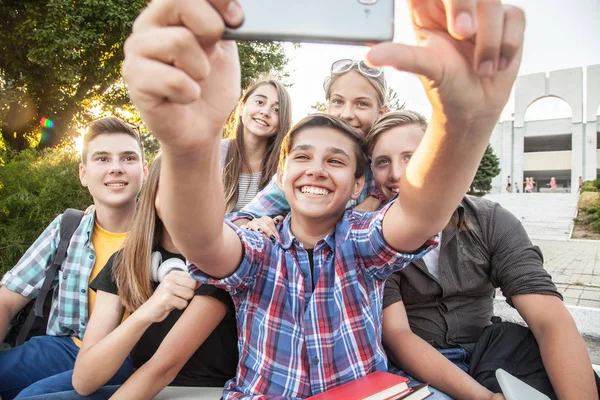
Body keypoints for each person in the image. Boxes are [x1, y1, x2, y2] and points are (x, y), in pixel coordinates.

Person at [121, 0, 526, 397]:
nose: (316, 168)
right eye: (302, 156)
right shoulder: (258, 250)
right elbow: (202, 238)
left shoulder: (364, 242)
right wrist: (189, 146)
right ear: (281, 176)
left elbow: (421, 211)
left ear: (356, 185)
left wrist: (460, 123)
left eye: (335, 160)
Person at [363, 113, 598, 399]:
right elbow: (398, 334)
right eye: (383, 162)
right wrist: (482, 397)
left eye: (411, 157)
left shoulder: (491, 221)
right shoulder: (369, 239)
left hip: (491, 351)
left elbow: (548, 319)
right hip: (418, 369)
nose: (396, 173)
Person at [17, 156, 238, 400]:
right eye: (174, 187)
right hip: (143, 383)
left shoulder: (219, 263)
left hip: (204, 391)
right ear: (153, 194)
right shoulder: (124, 262)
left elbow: (163, 369)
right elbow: (84, 380)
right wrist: (147, 311)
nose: (185, 199)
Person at [0, 117, 148, 399]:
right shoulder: (67, 228)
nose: (115, 167)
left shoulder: (163, 234)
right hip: (65, 346)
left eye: (128, 158)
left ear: (144, 170)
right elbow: (7, 299)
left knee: (29, 397)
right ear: (83, 173)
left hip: (127, 356)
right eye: (102, 159)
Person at [232, 58, 390, 224]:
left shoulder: (389, 164)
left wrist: (377, 198)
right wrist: (256, 224)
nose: (346, 114)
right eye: (338, 102)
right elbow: (240, 219)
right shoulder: (305, 162)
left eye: (361, 104)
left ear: (381, 112)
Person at [221, 77, 292, 213]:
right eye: (260, 102)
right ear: (242, 107)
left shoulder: (284, 167)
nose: (265, 112)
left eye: (276, 110)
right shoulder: (214, 153)